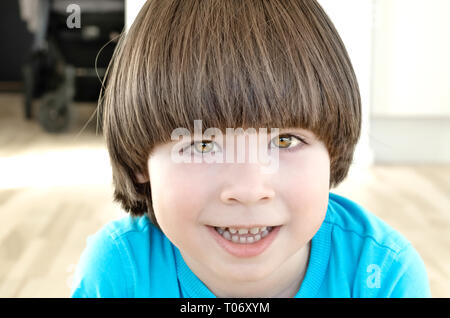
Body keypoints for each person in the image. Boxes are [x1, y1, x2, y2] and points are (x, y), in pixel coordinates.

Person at [71, 0, 431, 298]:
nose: (249, 190)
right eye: (202, 144)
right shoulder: (119, 273)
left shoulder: (382, 277)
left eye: (285, 141)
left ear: (332, 152)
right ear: (139, 162)